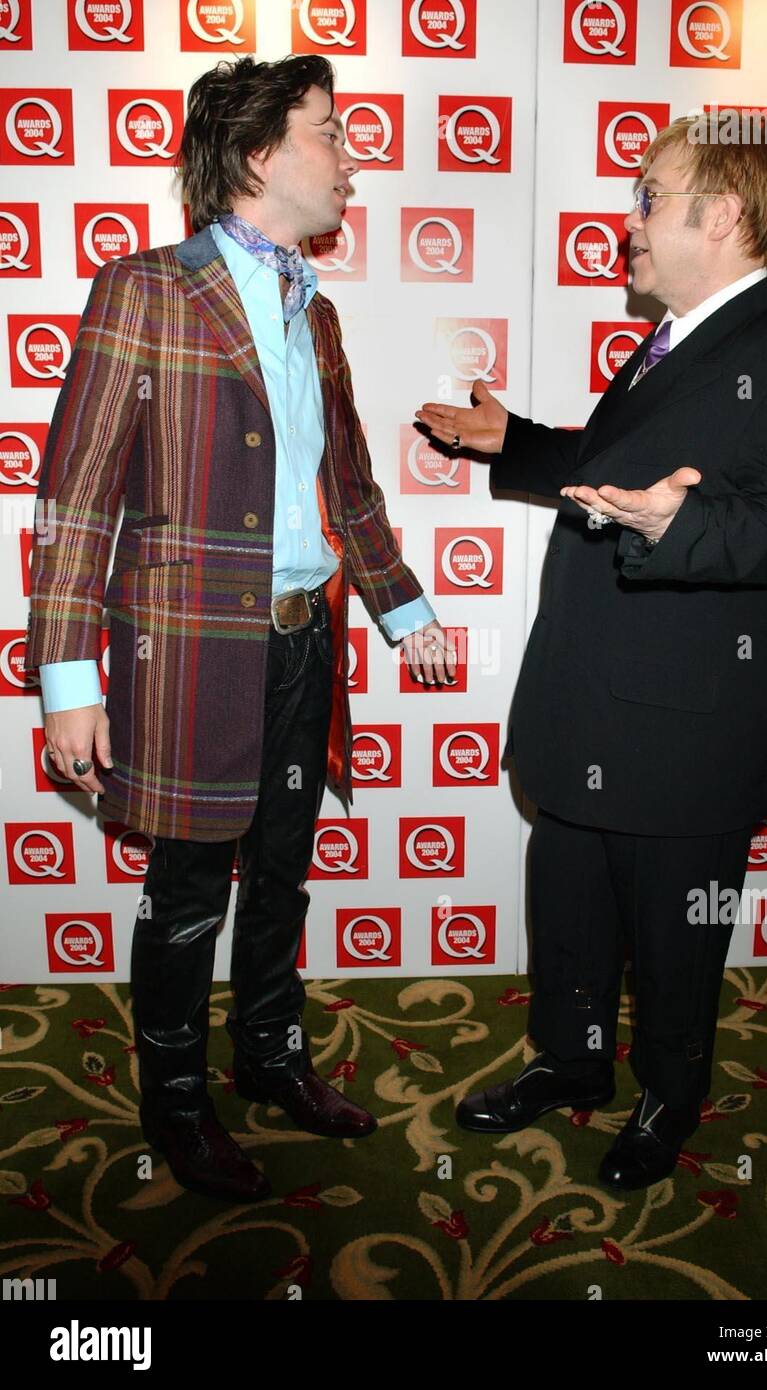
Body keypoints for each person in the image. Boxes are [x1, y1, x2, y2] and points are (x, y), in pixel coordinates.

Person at [24, 54, 456, 1203]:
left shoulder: (316, 313)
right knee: (184, 894)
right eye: (332, 133)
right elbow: (75, 498)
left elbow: (346, 486)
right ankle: (173, 1107)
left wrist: (402, 604)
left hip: (301, 642)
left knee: (280, 874)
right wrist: (67, 677)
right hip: (184, 656)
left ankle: (271, 1059)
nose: (352, 159)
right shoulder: (146, 290)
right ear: (263, 153)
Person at [416, 115, 767, 1191]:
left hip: (684, 732)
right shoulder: (671, 345)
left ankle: (668, 1097)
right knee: (568, 908)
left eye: (648, 197)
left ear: (723, 215)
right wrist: (512, 443)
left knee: (673, 938)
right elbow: (615, 465)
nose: (627, 220)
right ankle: (571, 1063)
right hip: (586, 709)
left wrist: (678, 530)